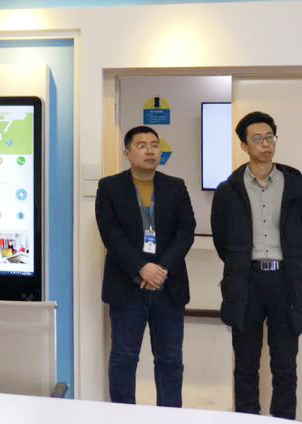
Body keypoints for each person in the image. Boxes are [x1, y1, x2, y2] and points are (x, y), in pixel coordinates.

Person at [95, 125, 196, 407]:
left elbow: (186, 231)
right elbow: (111, 234)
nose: (150, 150)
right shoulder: (109, 187)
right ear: (127, 153)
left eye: (154, 144)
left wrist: (160, 269)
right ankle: (123, 415)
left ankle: (169, 415)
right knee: (124, 358)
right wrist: (142, 268)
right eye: (141, 145)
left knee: (170, 359)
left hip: (168, 286)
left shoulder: (176, 186)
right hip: (127, 287)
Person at [212, 111, 302, 419]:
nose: (266, 144)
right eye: (258, 139)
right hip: (246, 281)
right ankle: (246, 418)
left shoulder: (296, 184)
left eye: (270, 137)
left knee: (285, 363)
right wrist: (239, 266)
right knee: (246, 362)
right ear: (244, 145)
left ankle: (283, 419)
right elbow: (222, 239)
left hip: (285, 282)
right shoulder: (228, 190)